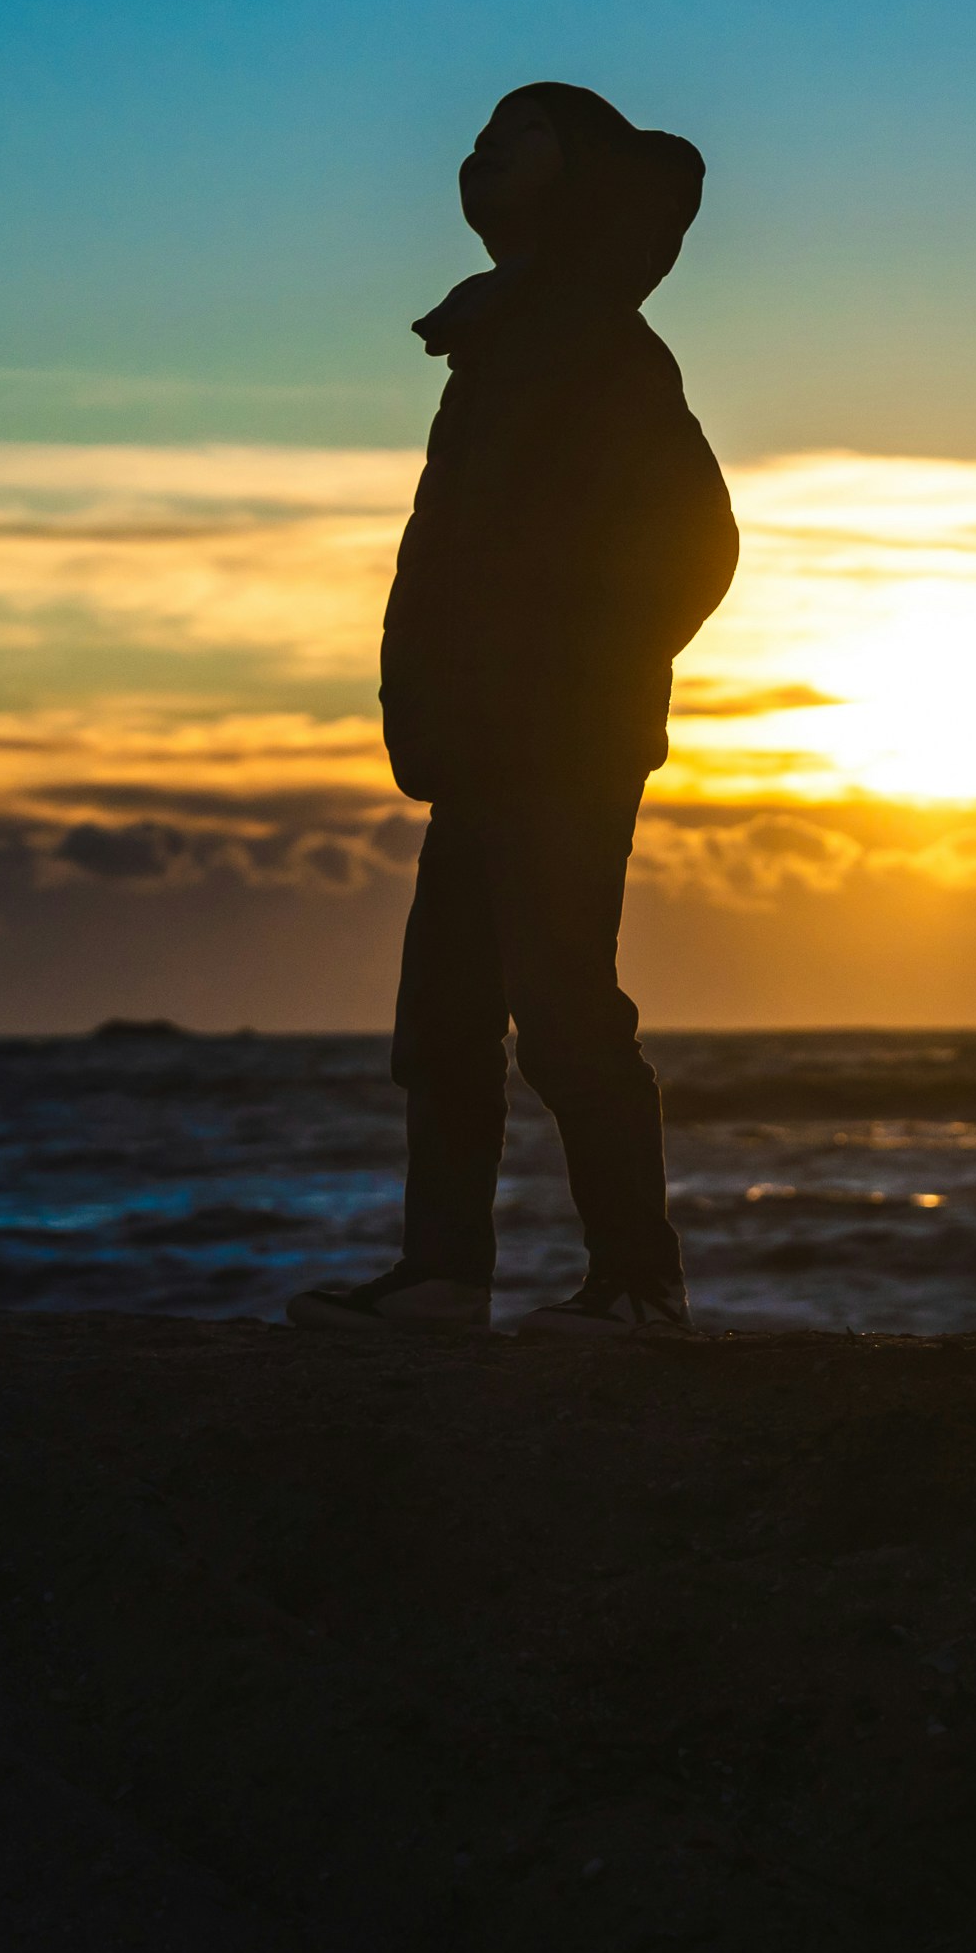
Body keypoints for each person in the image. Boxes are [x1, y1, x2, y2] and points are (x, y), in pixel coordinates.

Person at [290, 80, 739, 1343]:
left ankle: (638, 1286)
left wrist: (583, 673)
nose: (482, 148)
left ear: (581, 174)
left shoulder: (596, 341)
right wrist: (438, 700)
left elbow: (697, 542)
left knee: (562, 1011)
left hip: (561, 742)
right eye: (478, 134)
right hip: (484, 745)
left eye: (519, 132)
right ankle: (443, 1276)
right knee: (441, 1018)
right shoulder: (505, 339)